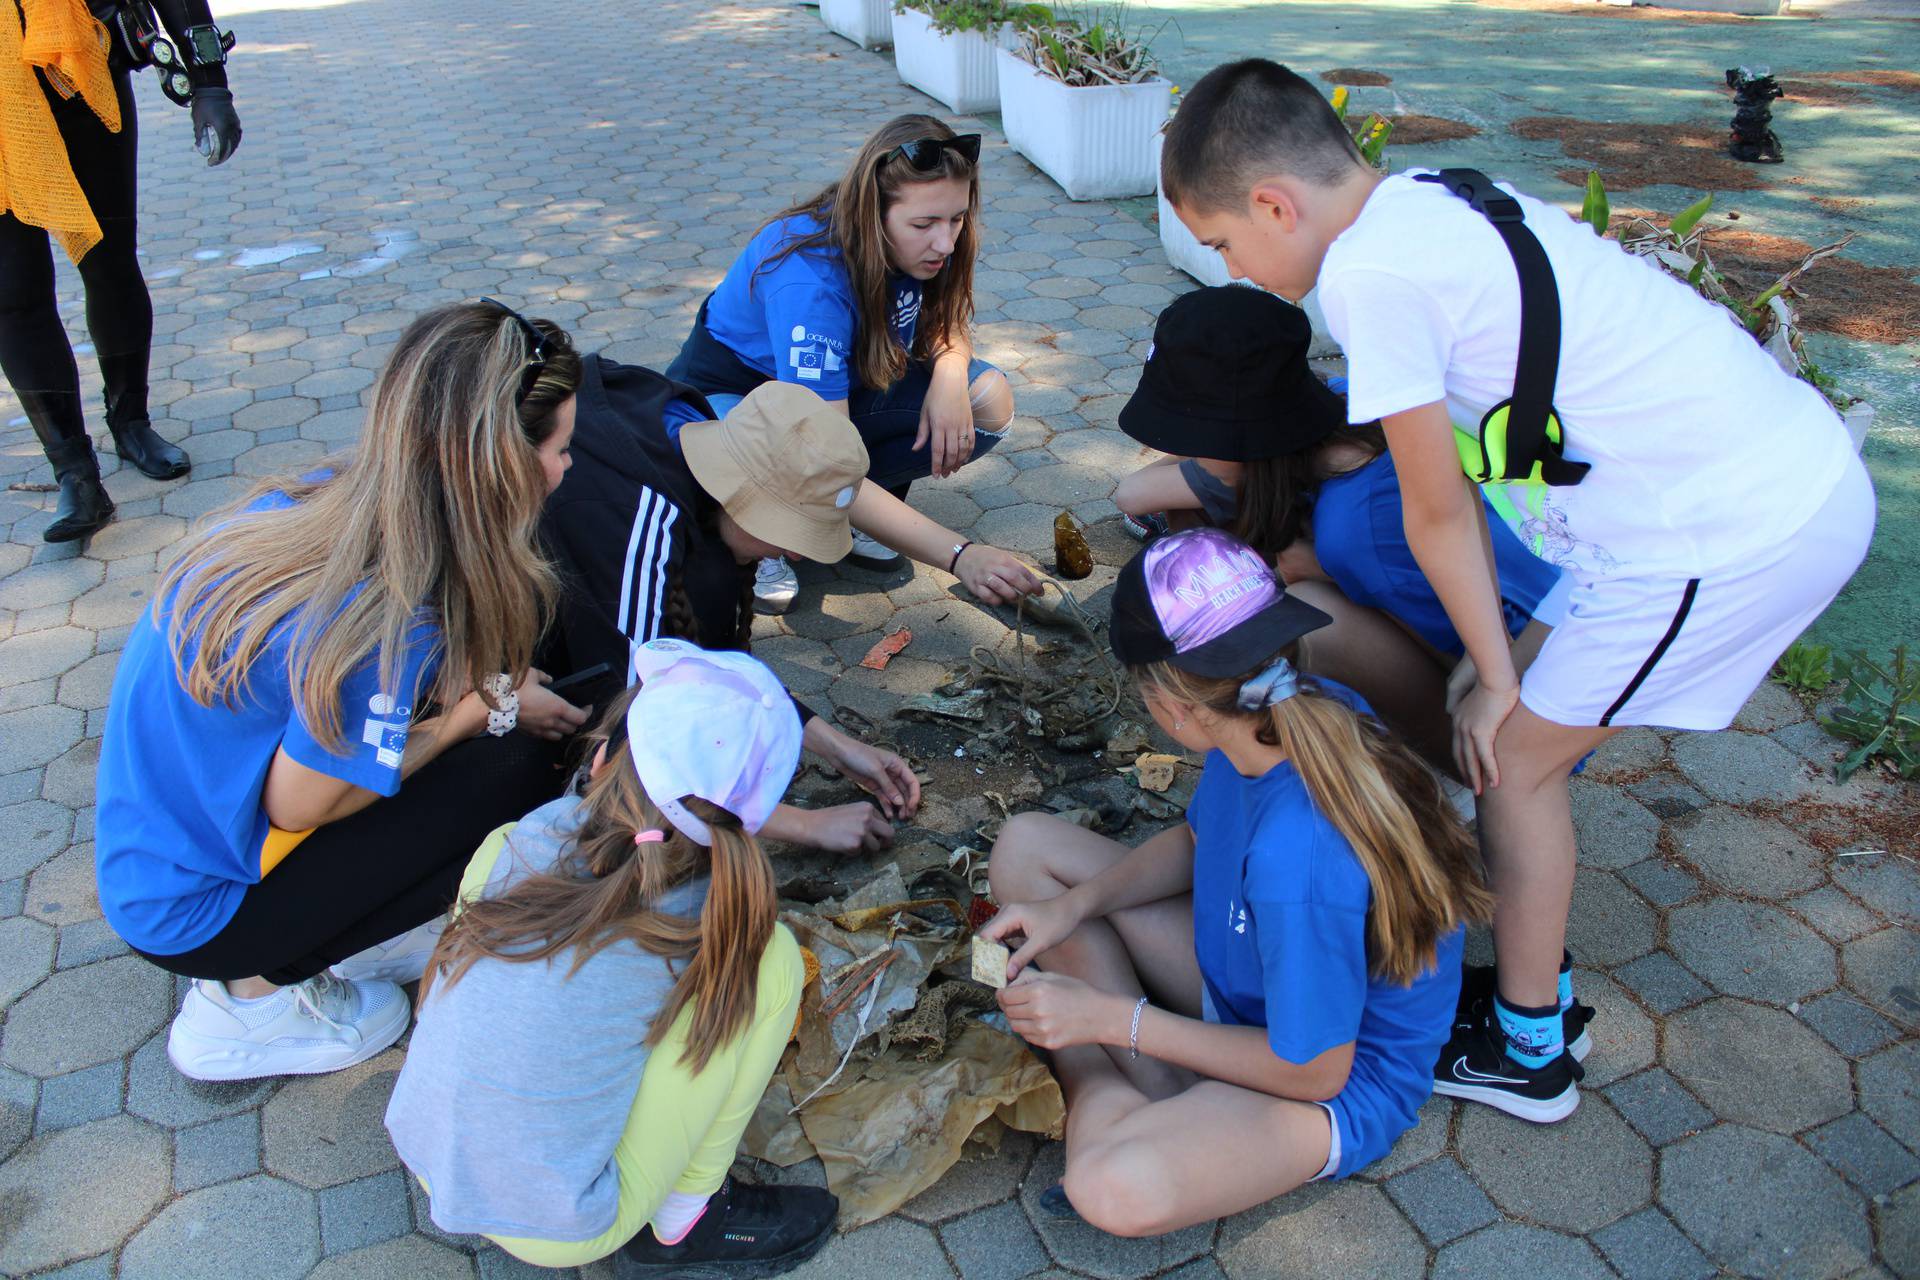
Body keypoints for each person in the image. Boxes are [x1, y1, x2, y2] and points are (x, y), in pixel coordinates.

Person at [1161, 59, 1875, 1120]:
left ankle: (1531, 1043)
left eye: (1224, 244)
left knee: (1514, 763)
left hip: (1731, 533)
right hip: (1681, 510)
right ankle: (1527, 989)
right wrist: (1503, 661)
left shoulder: (1370, 278)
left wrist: (1497, 676)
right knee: (1491, 718)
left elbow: (1436, 507)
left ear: (1275, 203)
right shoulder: (1431, 199)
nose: (1238, 266)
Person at [95, 301, 593, 1081]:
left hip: (156, 850)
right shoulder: (393, 615)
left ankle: (320, 927)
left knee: (487, 733)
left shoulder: (328, 495)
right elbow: (299, 805)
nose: (568, 467)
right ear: (497, 461)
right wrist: (483, 711)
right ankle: (246, 1004)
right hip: (194, 911)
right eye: (561, 448)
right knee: (511, 769)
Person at [982, 529, 1492, 1233]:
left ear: (1170, 706)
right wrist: (1074, 907)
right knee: (1026, 847)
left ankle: (1100, 1075)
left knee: (1110, 1186)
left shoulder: (1297, 858)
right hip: (1250, 977)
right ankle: (1167, 1086)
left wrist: (1101, 1025)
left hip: (1327, 1076)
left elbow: (1316, 1072)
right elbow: (1200, 840)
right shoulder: (1286, 705)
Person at [388, 638, 839, 1275]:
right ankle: (686, 1224)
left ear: (601, 758)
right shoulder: (725, 922)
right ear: (751, 819)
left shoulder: (513, 841)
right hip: (562, 1225)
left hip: (427, 1153)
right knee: (773, 968)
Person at [543, 360, 1042, 853]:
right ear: (740, 496)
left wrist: (838, 747)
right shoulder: (637, 527)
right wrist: (798, 824)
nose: (799, 555)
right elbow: (630, 737)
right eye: (791, 529)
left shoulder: (705, 461)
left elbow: (708, 660)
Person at [1113, 284, 1569, 781]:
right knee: (1217, 538)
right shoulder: (1338, 403)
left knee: (1316, 618)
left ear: (1240, 440)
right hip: (1487, 630)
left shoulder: (1355, 533)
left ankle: (1418, 779)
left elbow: (1467, 655)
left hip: (1520, 709)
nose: (1186, 453)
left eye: (1192, 438)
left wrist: (1328, 574)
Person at [667, 113, 1015, 613]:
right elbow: (818, 454)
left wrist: (950, 373)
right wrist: (961, 556)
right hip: (735, 396)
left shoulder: (930, 236)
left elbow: (947, 319)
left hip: (836, 388)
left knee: (986, 399)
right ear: (874, 214)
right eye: (925, 225)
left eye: (957, 218)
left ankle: (848, 515)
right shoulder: (811, 283)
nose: (947, 242)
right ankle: (765, 533)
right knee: (804, 463)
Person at [1, 0, 243, 541]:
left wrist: (209, 83)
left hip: (81, 70)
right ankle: (75, 475)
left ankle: (131, 423)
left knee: (110, 264)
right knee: (12, 293)